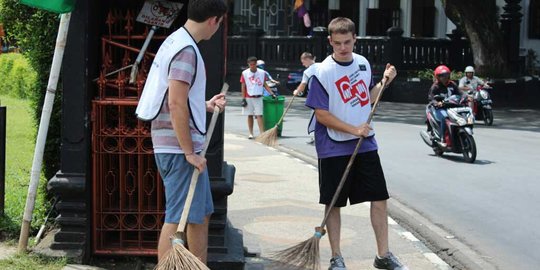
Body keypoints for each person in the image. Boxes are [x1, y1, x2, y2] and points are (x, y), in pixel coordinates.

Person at [305, 17, 407, 270]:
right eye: (337, 43)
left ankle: (383, 255)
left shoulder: (362, 64)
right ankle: (336, 258)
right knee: (334, 203)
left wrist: (384, 82)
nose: (342, 47)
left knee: (379, 197)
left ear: (355, 39)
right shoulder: (321, 72)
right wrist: (353, 129)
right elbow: (322, 114)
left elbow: (367, 99)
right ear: (330, 41)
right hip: (332, 145)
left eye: (347, 42)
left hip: (365, 143)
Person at [134, 0, 228, 265]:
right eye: (219, 24)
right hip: (179, 150)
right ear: (214, 20)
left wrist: (205, 106)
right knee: (177, 217)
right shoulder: (186, 50)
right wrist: (189, 152)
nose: (217, 29)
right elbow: (175, 102)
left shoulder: (176, 41)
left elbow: (177, 98)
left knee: (200, 214)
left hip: (178, 146)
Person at [240, 56, 276, 139]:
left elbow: (264, 84)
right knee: (249, 115)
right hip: (248, 96)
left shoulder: (262, 72)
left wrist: (271, 93)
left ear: (256, 64)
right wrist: (243, 98)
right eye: (250, 64)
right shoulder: (245, 73)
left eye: (254, 64)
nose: (252, 66)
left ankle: (261, 133)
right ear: (248, 64)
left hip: (258, 96)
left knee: (259, 115)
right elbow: (243, 86)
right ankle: (251, 133)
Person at [428, 65, 462, 147]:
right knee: (445, 117)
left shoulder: (452, 84)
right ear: (437, 77)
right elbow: (431, 98)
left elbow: (460, 93)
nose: (444, 78)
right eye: (442, 76)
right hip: (439, 108)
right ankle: (443, 138)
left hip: (452, 106)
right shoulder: (435, 87)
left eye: (446, 75)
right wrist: (436, 103)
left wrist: (467, 97)